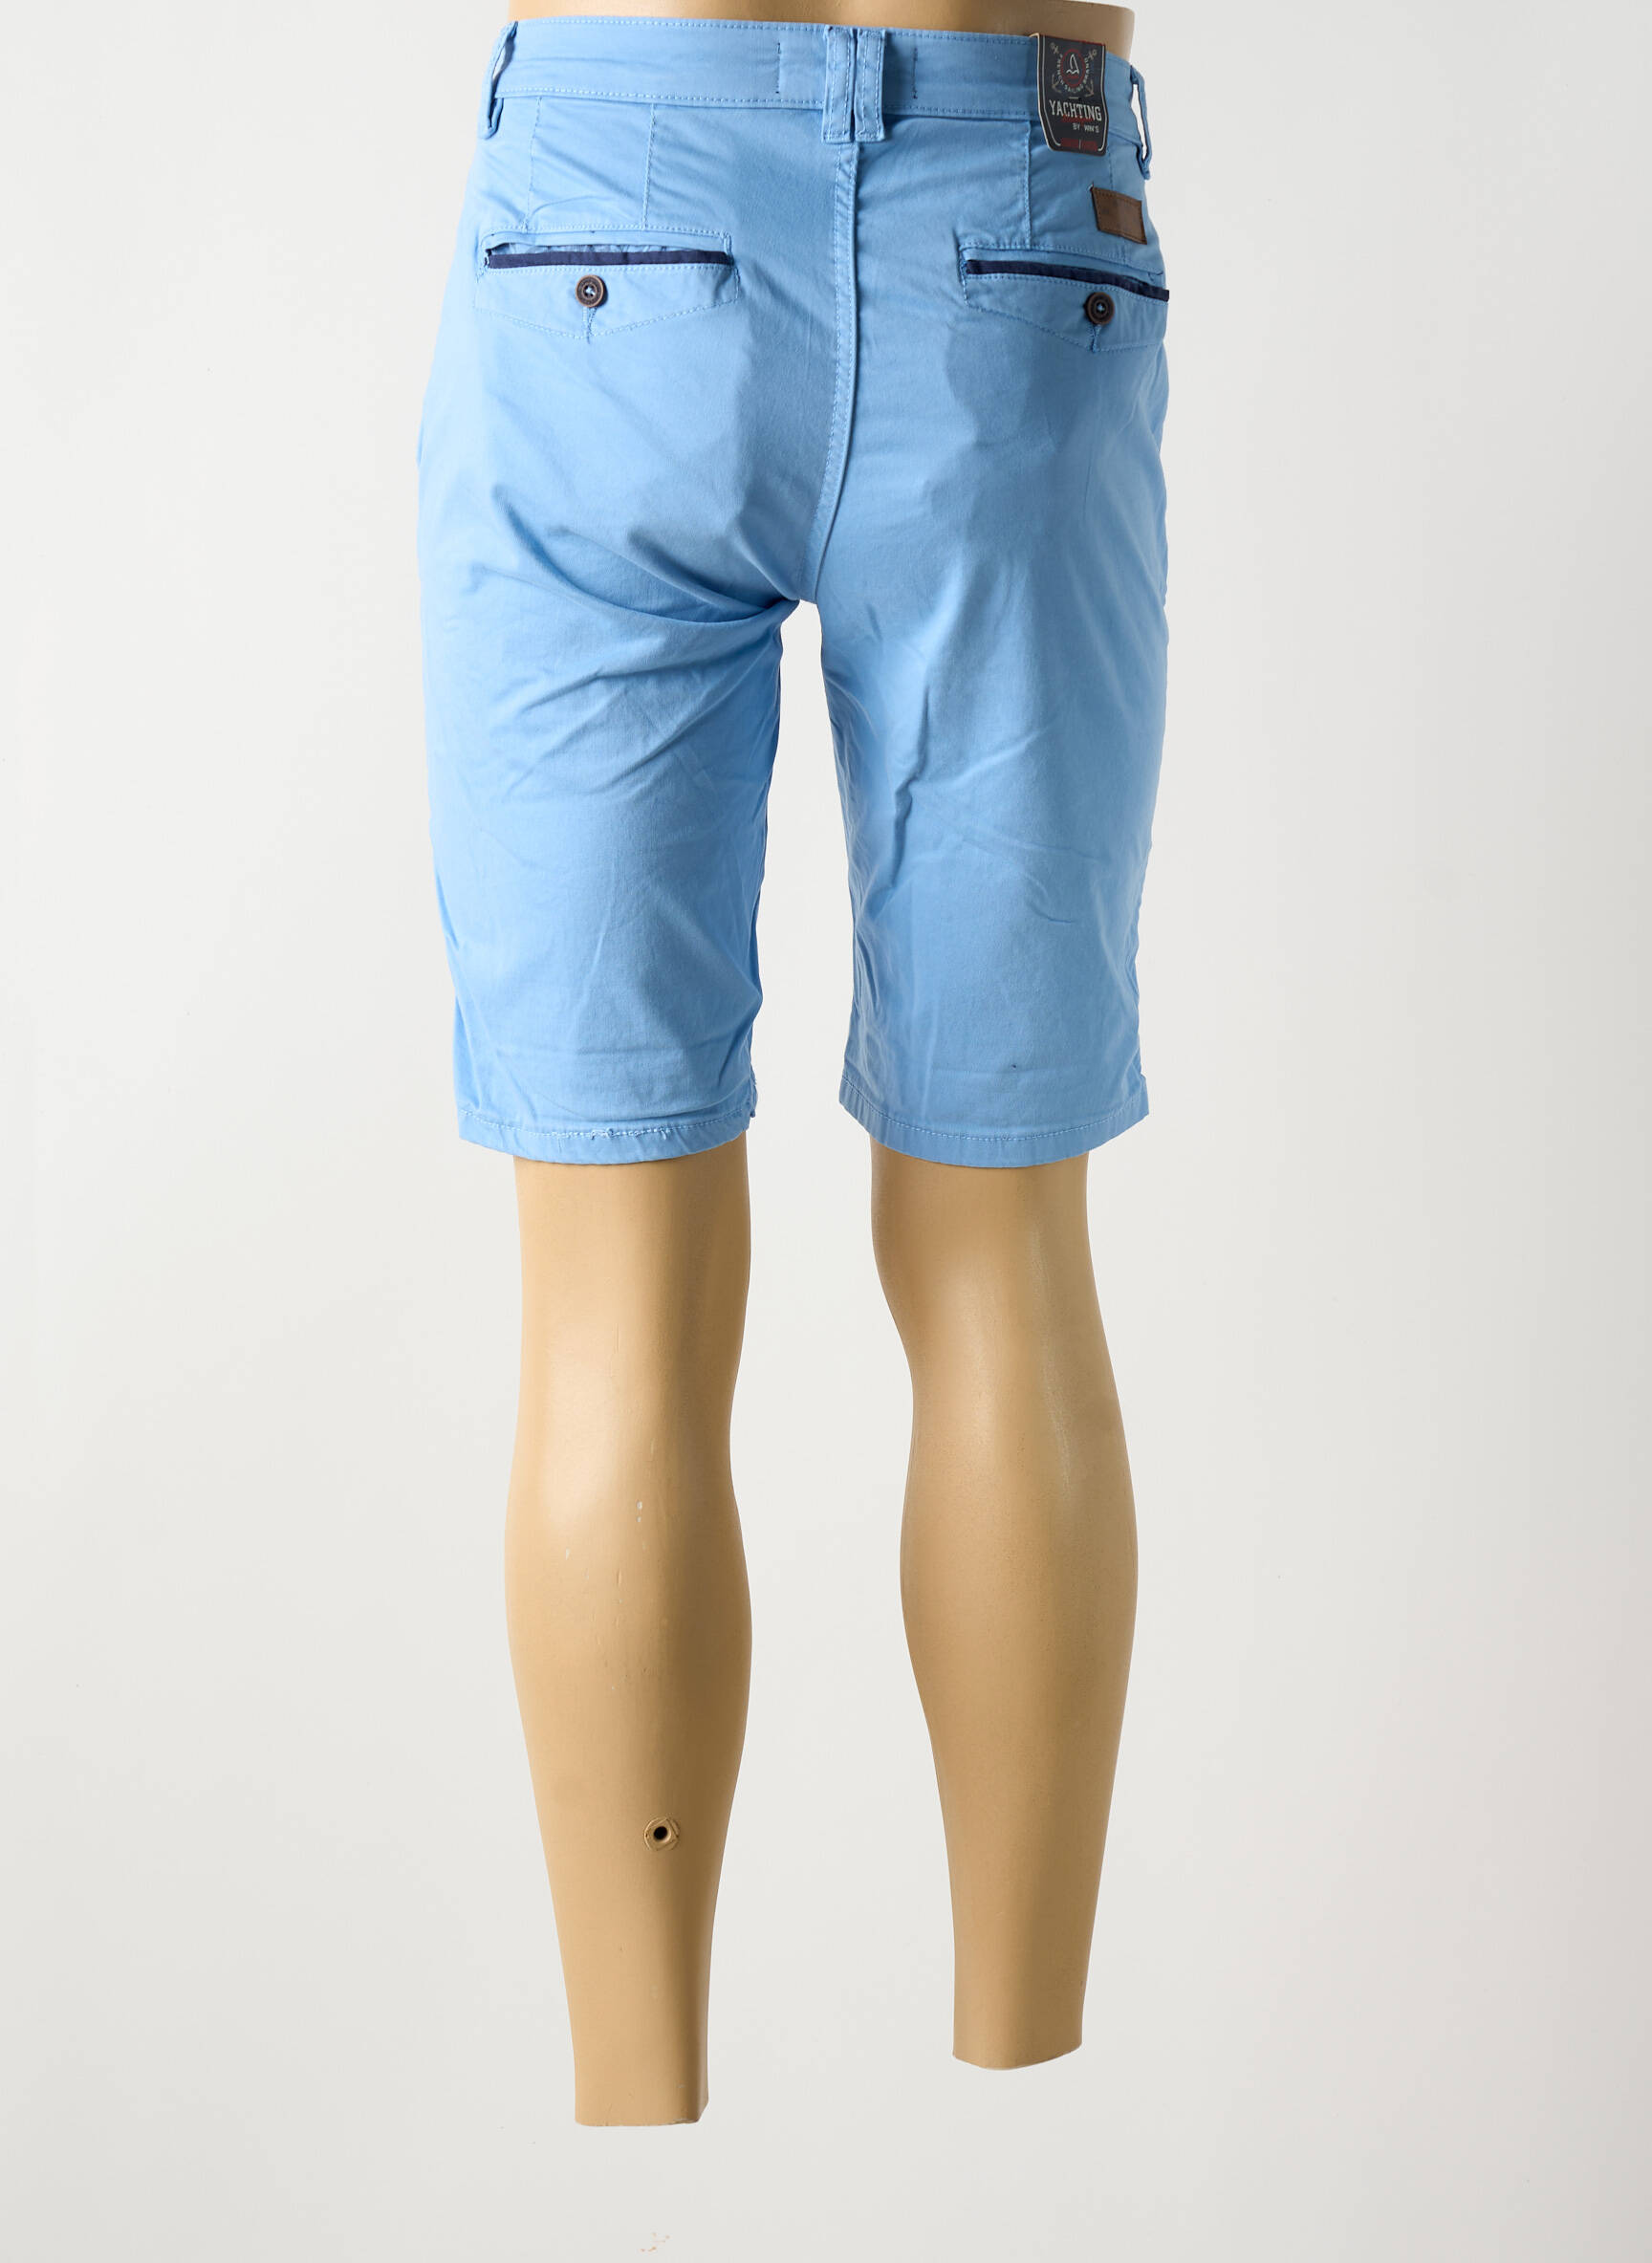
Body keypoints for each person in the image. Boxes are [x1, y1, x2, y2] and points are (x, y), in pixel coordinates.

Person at [417, 0, 1168, 2123]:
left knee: (607, 1301)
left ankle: (636, 2104)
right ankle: (1023, 2085)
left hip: (608, 210)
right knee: (1009, 1245)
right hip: (1017, 205)